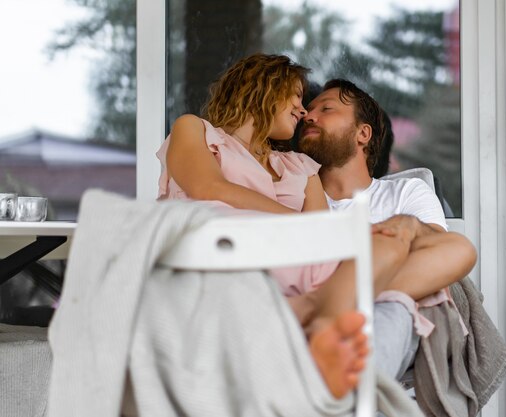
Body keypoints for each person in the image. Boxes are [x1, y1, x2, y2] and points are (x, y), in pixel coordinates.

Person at [156, 54, 476, 399]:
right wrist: (317, 228)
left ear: (363, 134)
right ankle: (324, 312)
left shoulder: (299, 167)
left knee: (456, 248)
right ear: (264, 89)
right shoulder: (195, 130)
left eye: (320, 107)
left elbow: (323, 231)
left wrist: (391, 230)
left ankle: (321, 314)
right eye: (297, 97)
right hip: (229, 252)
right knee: (386, 244)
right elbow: (209, 188)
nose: (303, 111)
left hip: (300, 261)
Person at [297, 78, 468, 380]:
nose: (308, 116)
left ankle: (331, 312)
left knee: (450, 259)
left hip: (384, 310)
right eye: (307, 111)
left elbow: (442, 253)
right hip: (305, 311)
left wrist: (412, 226)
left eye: (326, 109)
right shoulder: (291, 193)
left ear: (363, 133)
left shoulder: (405, 193)